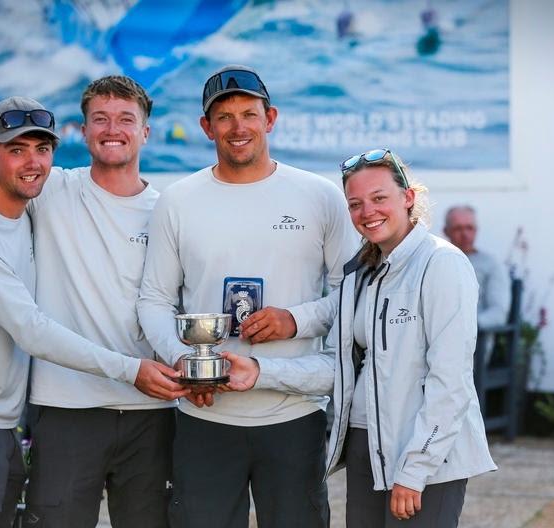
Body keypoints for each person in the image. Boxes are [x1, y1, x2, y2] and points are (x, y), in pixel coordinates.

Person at [0, 96, 184, 528]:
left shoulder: (27, 211)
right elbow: (31, 330)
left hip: (0, 427)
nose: (31, 162)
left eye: (41, 149)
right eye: (16, 149)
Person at [136, 64, 358, 528]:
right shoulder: (178, 201)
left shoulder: (319, 197)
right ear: (206, 126)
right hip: (206, 418)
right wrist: (185, 362)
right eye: (224, 117)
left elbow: (353, 295)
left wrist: (294, 320)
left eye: (249, 114)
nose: (238, 127)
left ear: (270, 118)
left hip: (294, 415)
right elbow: (154, 300)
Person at [324, 149, 497, 527]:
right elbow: (328, 316)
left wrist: (415, 470)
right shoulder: (364, 269)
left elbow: (450, 381)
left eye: (379, 198)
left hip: (424, 454)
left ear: (408, 198)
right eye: (355, 204)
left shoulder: (442, 263)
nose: (367, 211)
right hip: (365, 444)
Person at [443, 205, 510, 328]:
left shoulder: (491, 264)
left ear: (476, 230)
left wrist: (467, 325)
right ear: (446, 231)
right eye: (458, 228)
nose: (465, 234)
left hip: (476, 339)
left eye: (470, 228)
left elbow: (498, 313)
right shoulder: (436, 261)